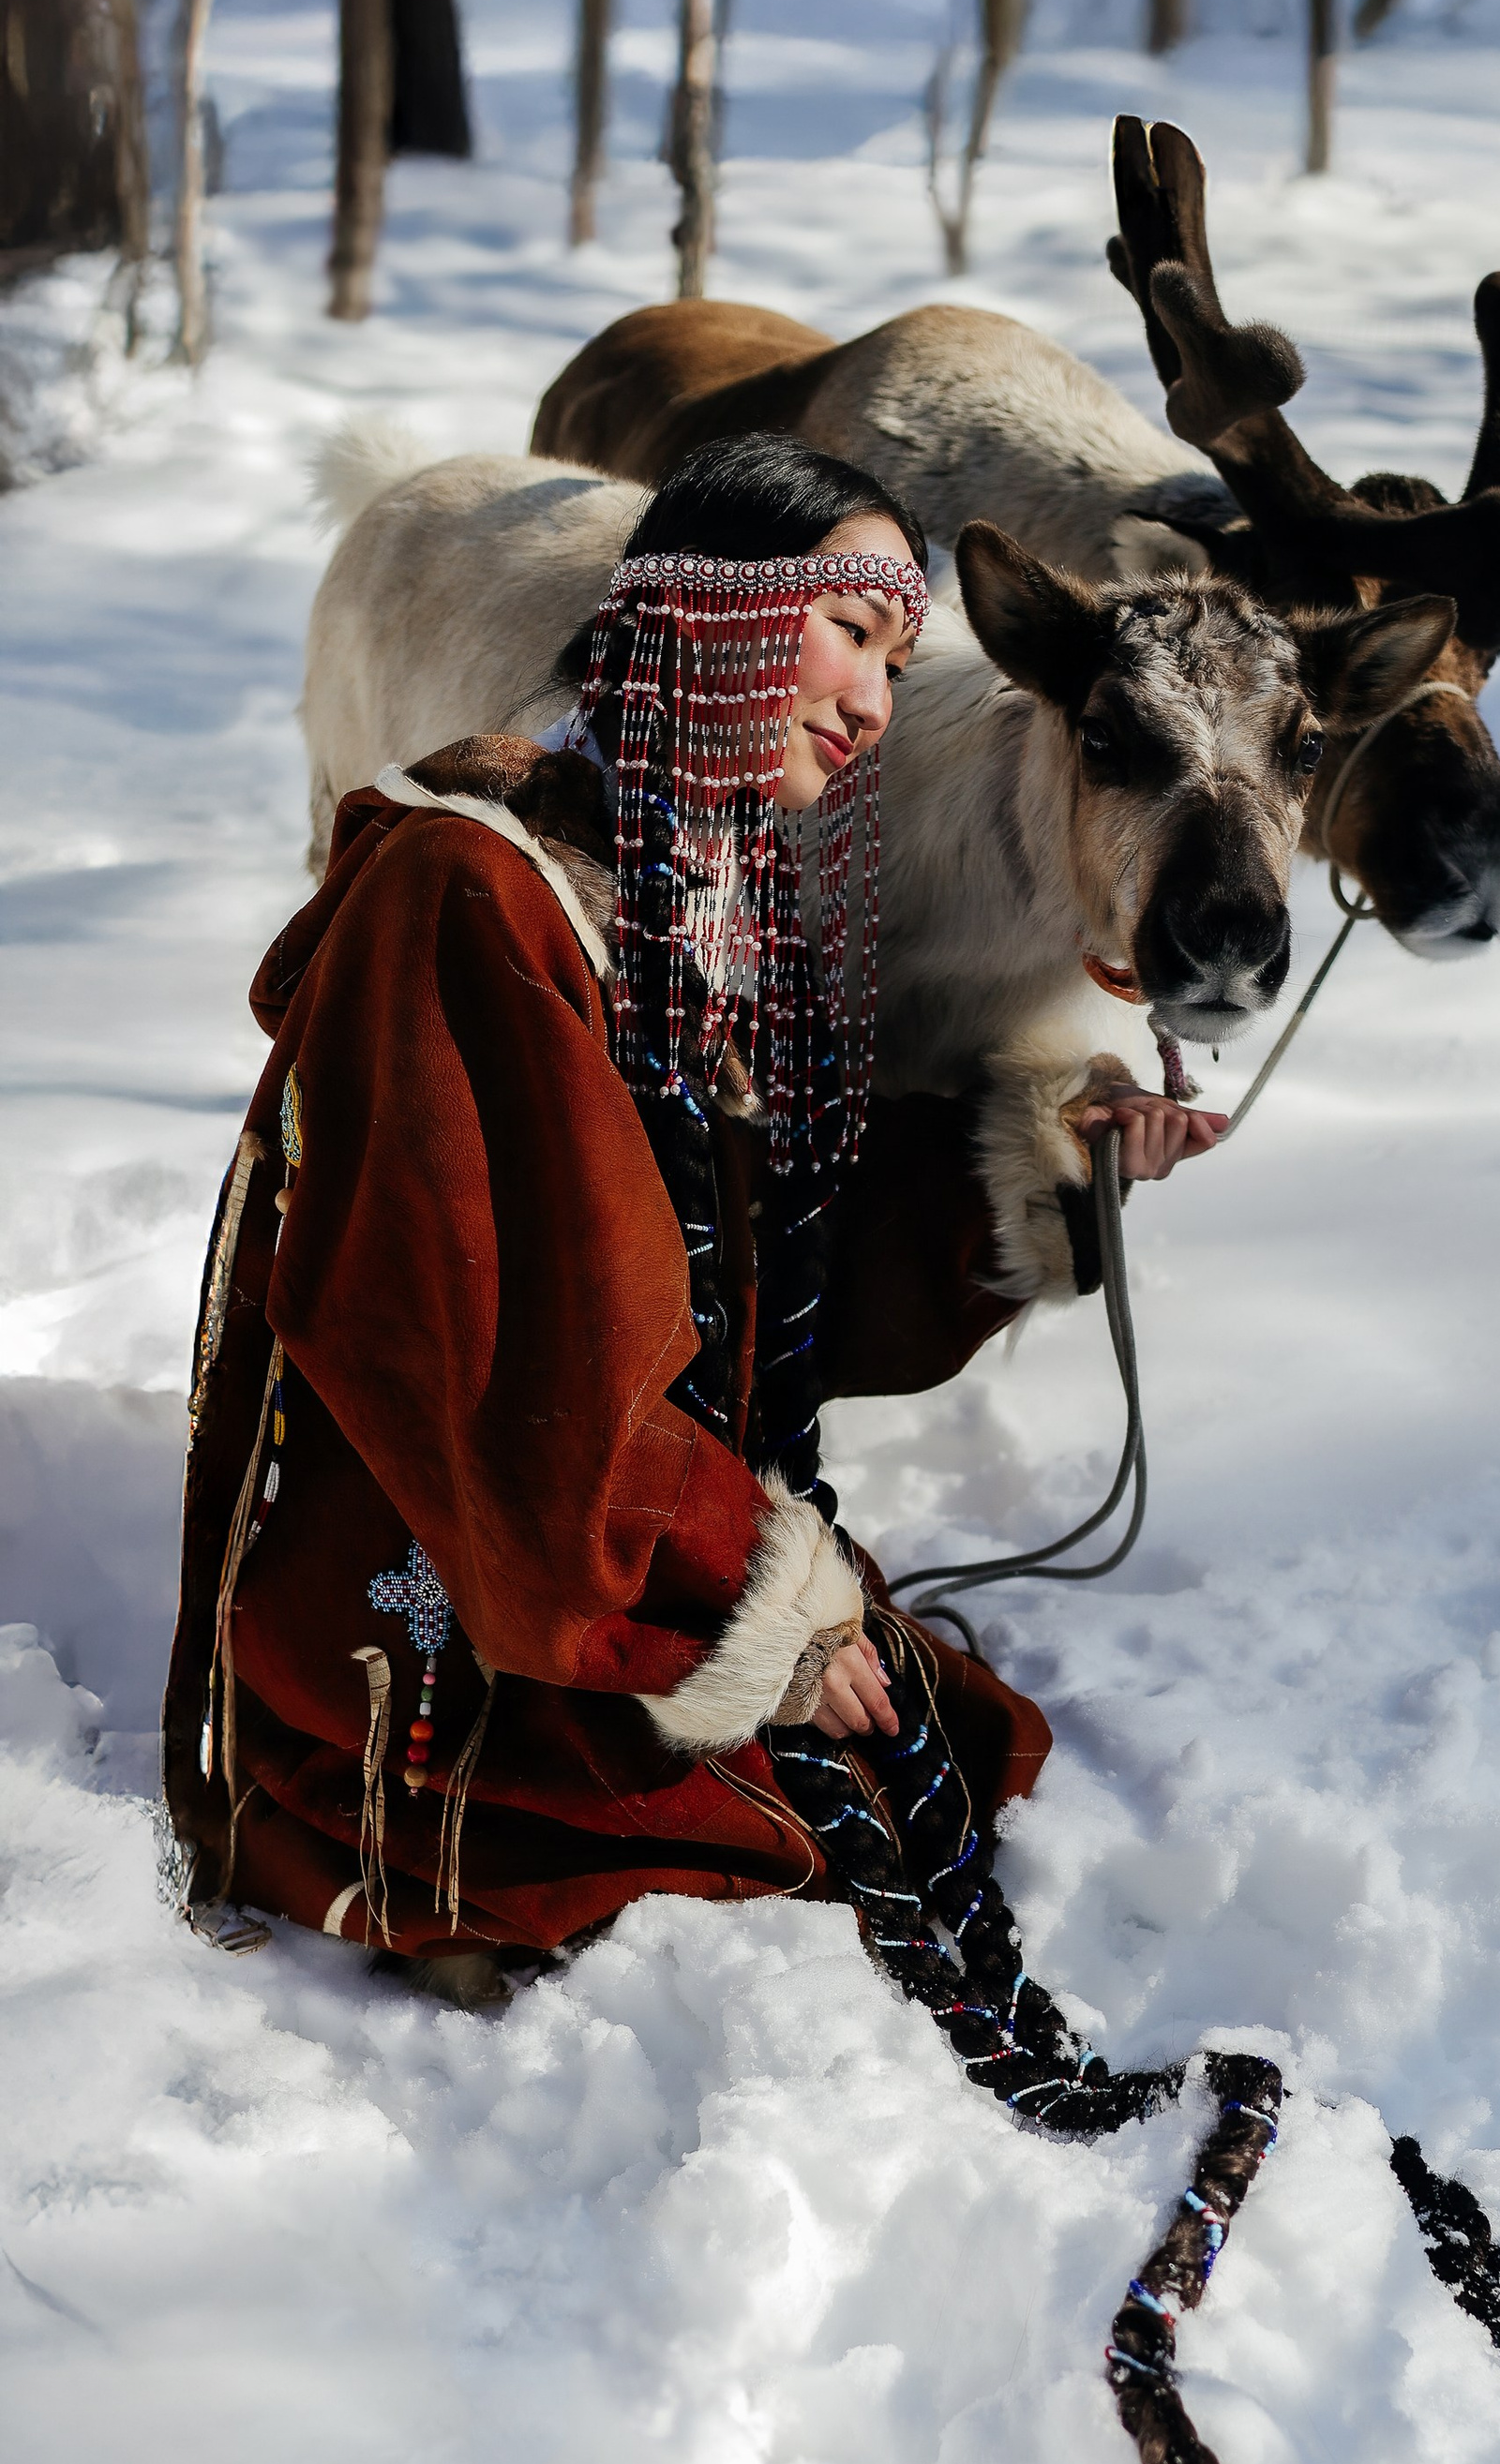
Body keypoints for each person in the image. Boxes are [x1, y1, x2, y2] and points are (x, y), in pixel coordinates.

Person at [163, 435, 1218, 2009]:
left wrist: (1046, 1173)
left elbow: (762, 1294)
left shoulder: (712, 901)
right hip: (471, 1566)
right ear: (710, 609)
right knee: (768, 1852)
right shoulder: (474, 892)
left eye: (898, 656)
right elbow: (494, 1360)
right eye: (852, 632)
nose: (872, 702)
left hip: (616, 1522)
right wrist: (758, 1597)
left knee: (952, 1755)